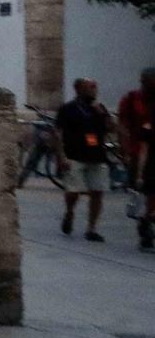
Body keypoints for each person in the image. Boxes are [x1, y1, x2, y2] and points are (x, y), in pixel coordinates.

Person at [55, 78, 113, 242]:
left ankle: (91, 228)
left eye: (95, 88)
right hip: (74, 155)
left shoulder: (99, 109)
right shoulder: (67, 109)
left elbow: (111, 128)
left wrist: (103, 114)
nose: (93, 91)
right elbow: (58, 133)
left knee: (97, 192)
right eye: (90, 88)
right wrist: (61, 156)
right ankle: (70, 211)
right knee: (73, 192)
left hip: (97, 156)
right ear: (78, 89)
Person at [120, 68, 155, 252]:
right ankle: (145, 221)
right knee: (144, 192)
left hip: (145, 149)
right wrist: (125, 151)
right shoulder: (132, 99)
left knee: (151, 195)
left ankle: (147, 220)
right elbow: (123, 126)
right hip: (138, 152)